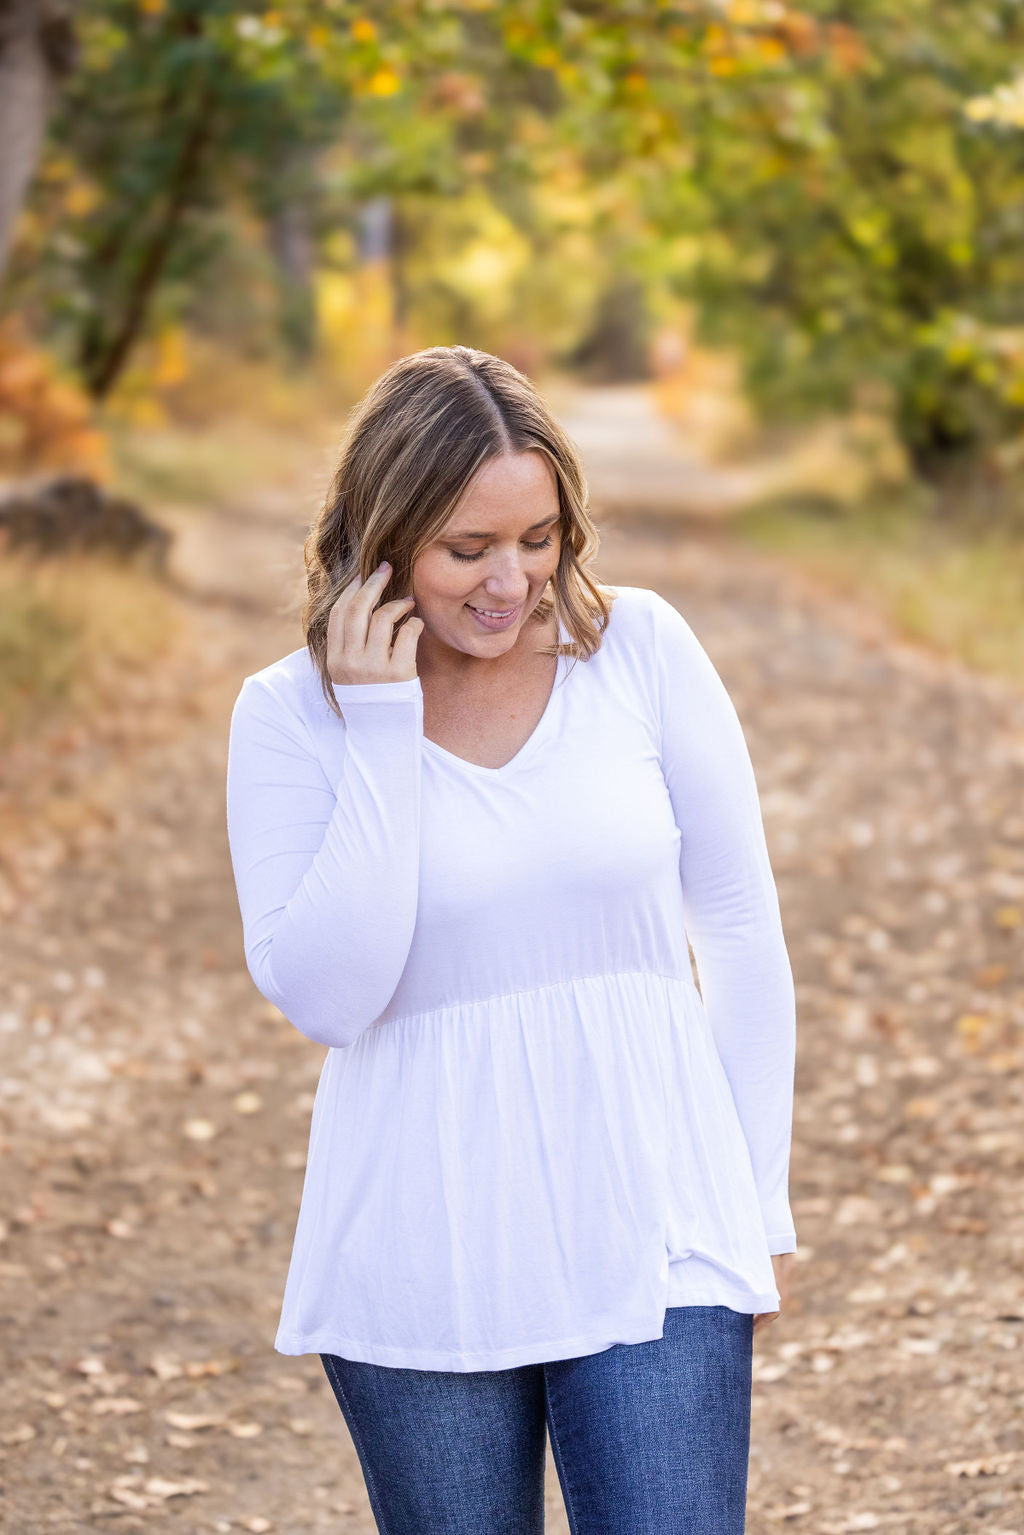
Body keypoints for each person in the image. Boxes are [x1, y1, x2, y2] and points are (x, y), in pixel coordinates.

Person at [225, 344, 798, 1534]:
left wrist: (754, 1207)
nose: (511, 581)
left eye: (536, 538)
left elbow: (739, 930)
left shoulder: (637, 650)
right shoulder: (292, 717)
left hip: (659, 1214)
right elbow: (331, 995)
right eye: (466, 549)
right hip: (420, 1231)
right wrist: (383, 726)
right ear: (381, 542)